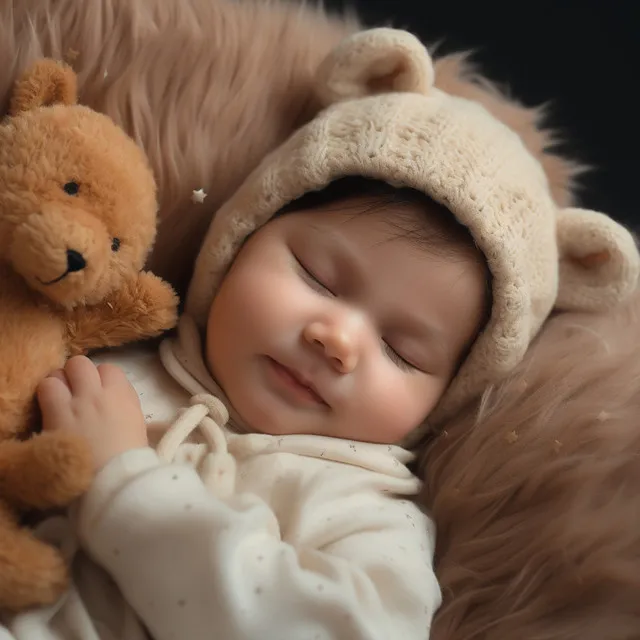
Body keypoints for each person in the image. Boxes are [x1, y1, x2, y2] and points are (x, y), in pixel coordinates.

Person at [1, 27, 637, 640]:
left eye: (402, 350)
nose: (338, 339)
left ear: (444, 397)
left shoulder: (365, 508)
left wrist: (128, 485)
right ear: (237, 241)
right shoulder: (104, 361)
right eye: (318, 277)